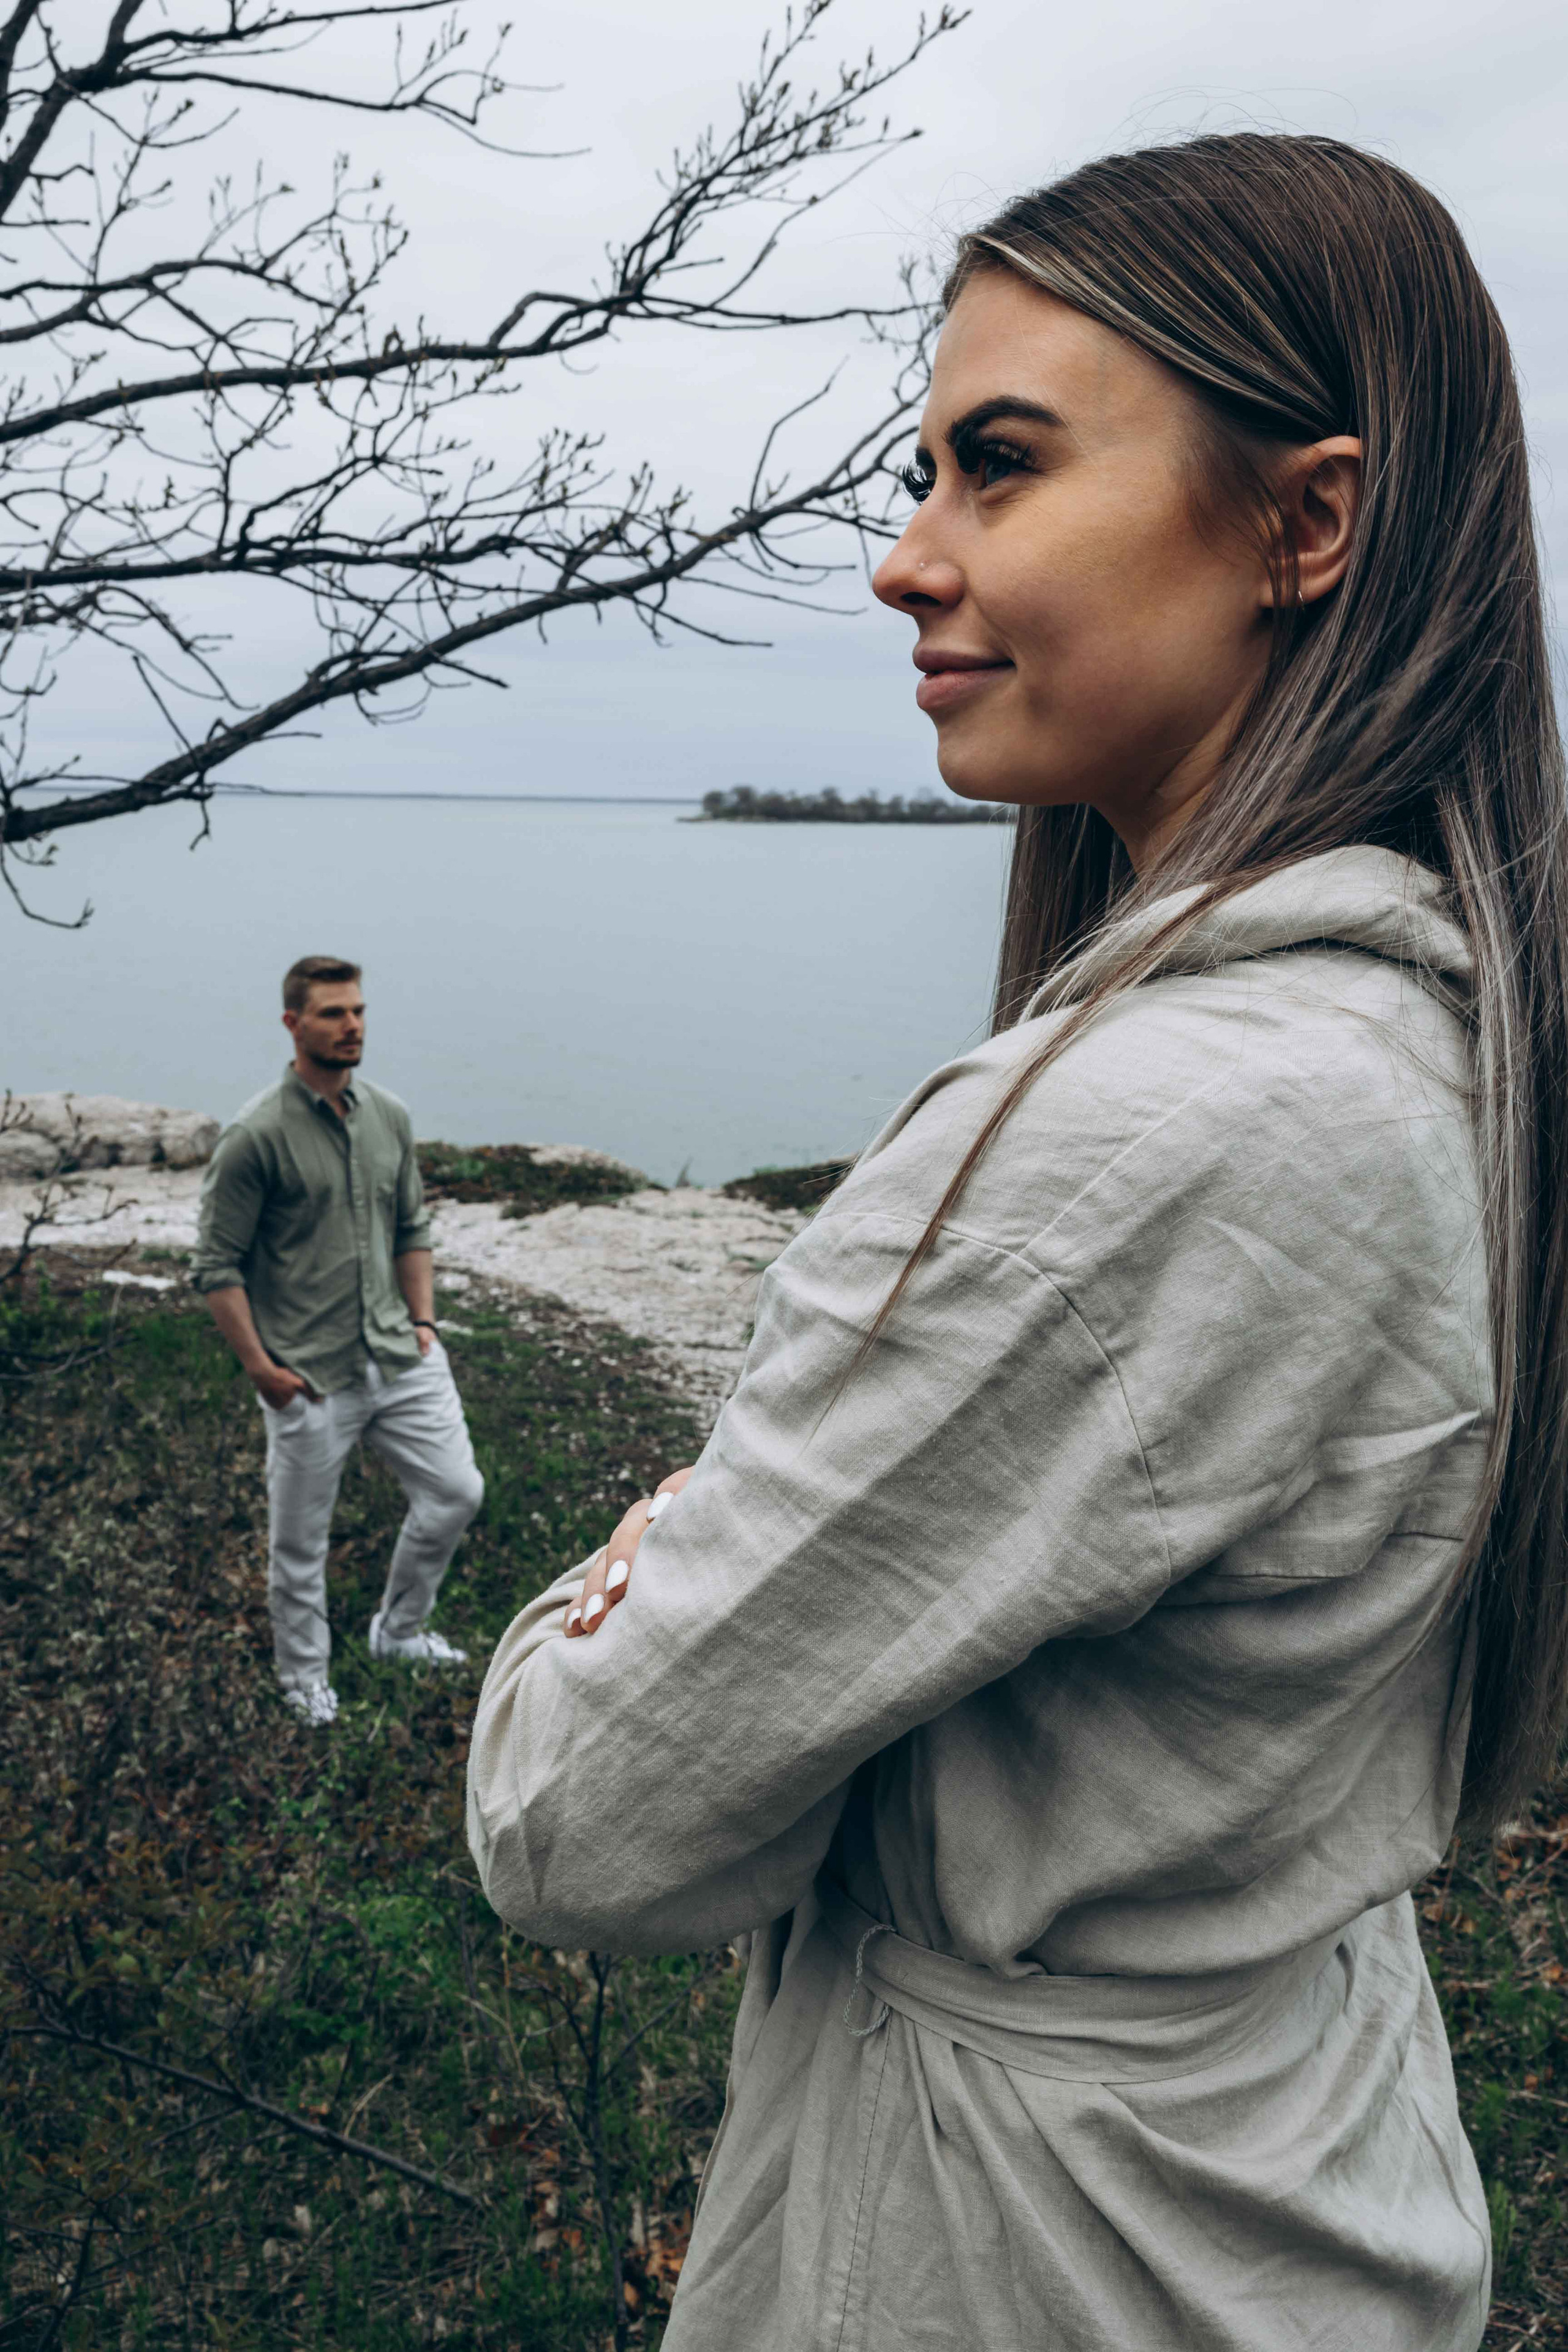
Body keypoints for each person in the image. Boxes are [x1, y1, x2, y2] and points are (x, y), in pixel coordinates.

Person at [467, 134, 1568, 2350]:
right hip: (1284, 2183)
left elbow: (576, 1815)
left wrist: (673, 1533)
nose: (902, 561)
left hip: (1021, 2263)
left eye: (997, 465)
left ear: (1303, 521)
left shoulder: (1132, 1141)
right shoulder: (1452, 1046)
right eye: (919, 471)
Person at [195, 956, 483, 1726]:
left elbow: (412, 1228)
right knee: (300, 1546)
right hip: (308, 1374)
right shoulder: (255, 1135)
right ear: (293, 1024)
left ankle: (399, 1631)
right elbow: (216, 1265)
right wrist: (263, 1371)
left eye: (357, 1011)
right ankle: (304, 1680)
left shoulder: (388, 1114)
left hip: (398, 1353)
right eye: (331, 1013)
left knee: (458, 1493)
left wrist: (423, 1323)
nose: (351, 1025)